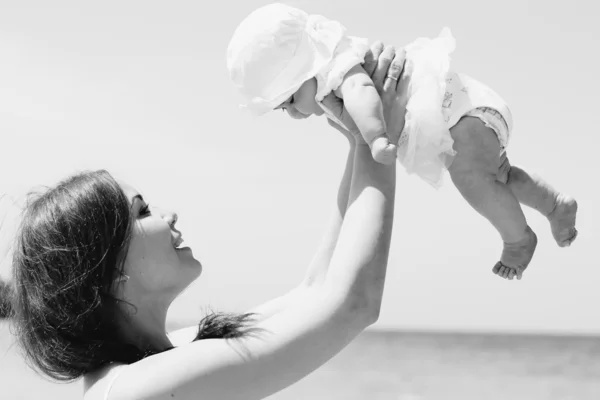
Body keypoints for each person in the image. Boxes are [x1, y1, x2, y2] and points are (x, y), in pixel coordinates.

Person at [3, 44, 406, 400]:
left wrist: (360, 139)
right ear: (105, 271)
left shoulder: (164, 357)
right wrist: (380, 139)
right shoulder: (139, 388)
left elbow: (316, 290)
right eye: (142, 212)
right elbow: (352, 305)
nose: (168, 214)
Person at [226, 3, 579, 281]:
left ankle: (518, 239)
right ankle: (554, 204)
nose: (292, 114)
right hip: (468, 111)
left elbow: (363, 91)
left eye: (288, 101)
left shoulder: (337, 70)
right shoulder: (332, 71)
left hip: (459, 113)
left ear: (305, 70)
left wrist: (377, 138)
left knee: (471, 177)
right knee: (497, 177)